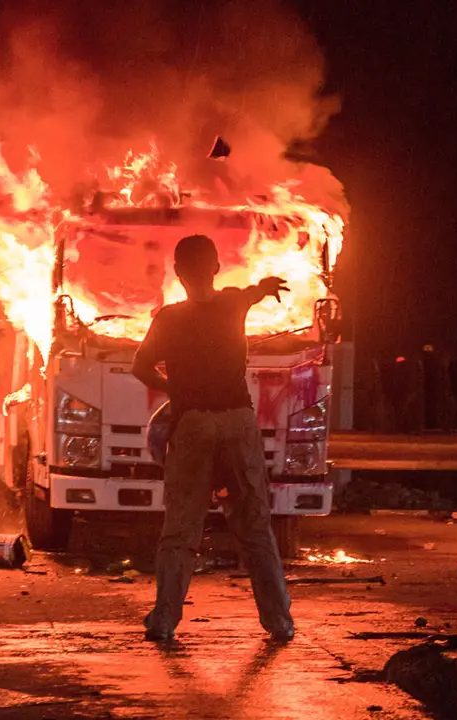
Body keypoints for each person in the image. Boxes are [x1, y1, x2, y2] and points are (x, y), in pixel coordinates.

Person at [132, 233, 294, 643]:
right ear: (217, 268)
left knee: (182, 527)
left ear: (178, 273)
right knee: (255, 525)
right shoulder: (232, 302)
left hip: (194, 424)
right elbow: (255, 291)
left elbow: (140, 366)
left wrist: (175, 389)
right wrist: (267, 286)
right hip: (239, 422)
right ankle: (279, 622)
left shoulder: (168, 318)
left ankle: (165, 619)